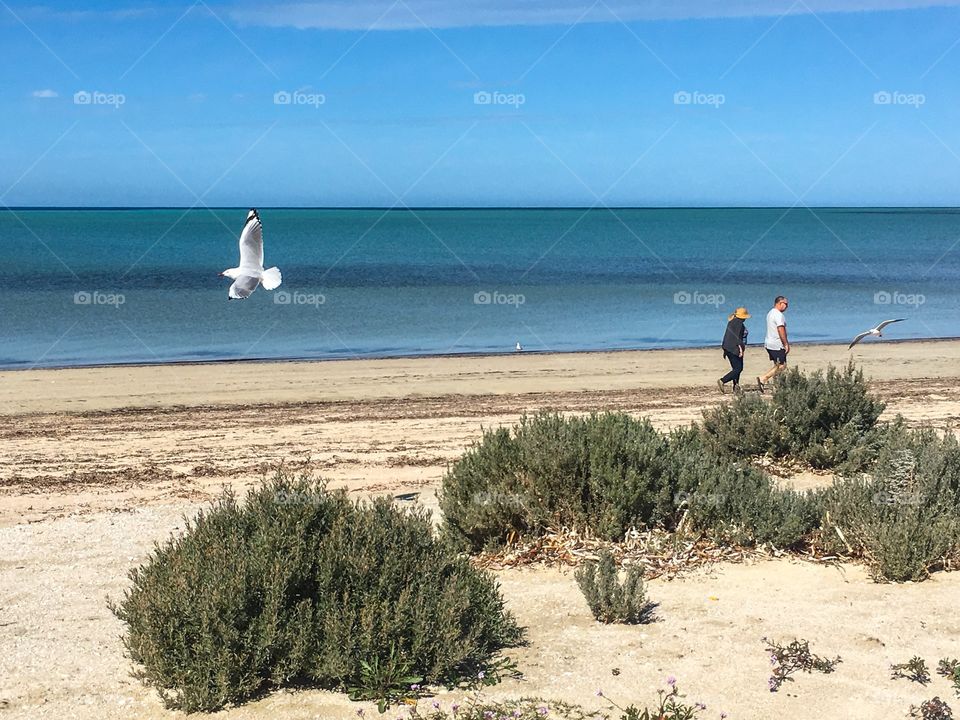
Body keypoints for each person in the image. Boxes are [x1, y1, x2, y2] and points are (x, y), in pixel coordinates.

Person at [757, 296, 789, 393]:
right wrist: (786, 343)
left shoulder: (770, 313)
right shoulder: (778, 315)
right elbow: (780, 329)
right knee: (782, 366)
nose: (787, 306)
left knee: (777, 365)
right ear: (779, 303)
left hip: (769, 343)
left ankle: (776, 387)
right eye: (785, 304)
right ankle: (763, 378)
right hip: (776, 344)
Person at [718, 307, 750, 393]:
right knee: (738, 368)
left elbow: (729, 336)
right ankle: (723, 380)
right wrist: (740, 349)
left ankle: (736, 386)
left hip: (728, 347)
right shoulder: (738, 323)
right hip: (734, 348)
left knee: (736, 368)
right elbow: (737, 337)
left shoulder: (732, 322)